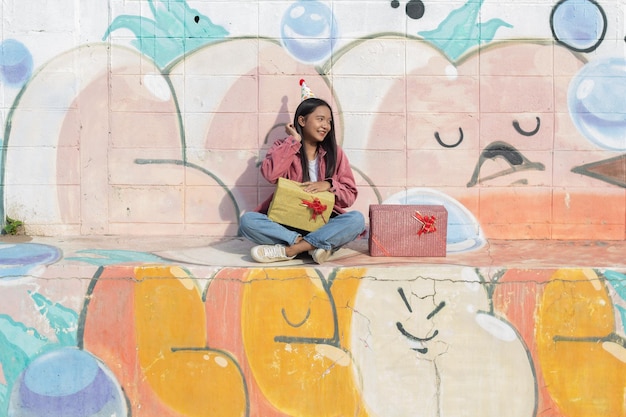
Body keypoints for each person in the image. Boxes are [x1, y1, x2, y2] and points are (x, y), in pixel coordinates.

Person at [239, 92, 365, 264]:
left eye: (329, 121)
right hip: (287, 224)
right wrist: (293, 141)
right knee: (248, 221)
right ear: (302, 121)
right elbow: (271, 174)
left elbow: (349, 196)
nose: (326, 126)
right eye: (320, 119)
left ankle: (291, 250)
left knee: (356, 220)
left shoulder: (335, 154)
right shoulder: (283, 146)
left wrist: (328, 184)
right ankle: (315, 246)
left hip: (323, 222)